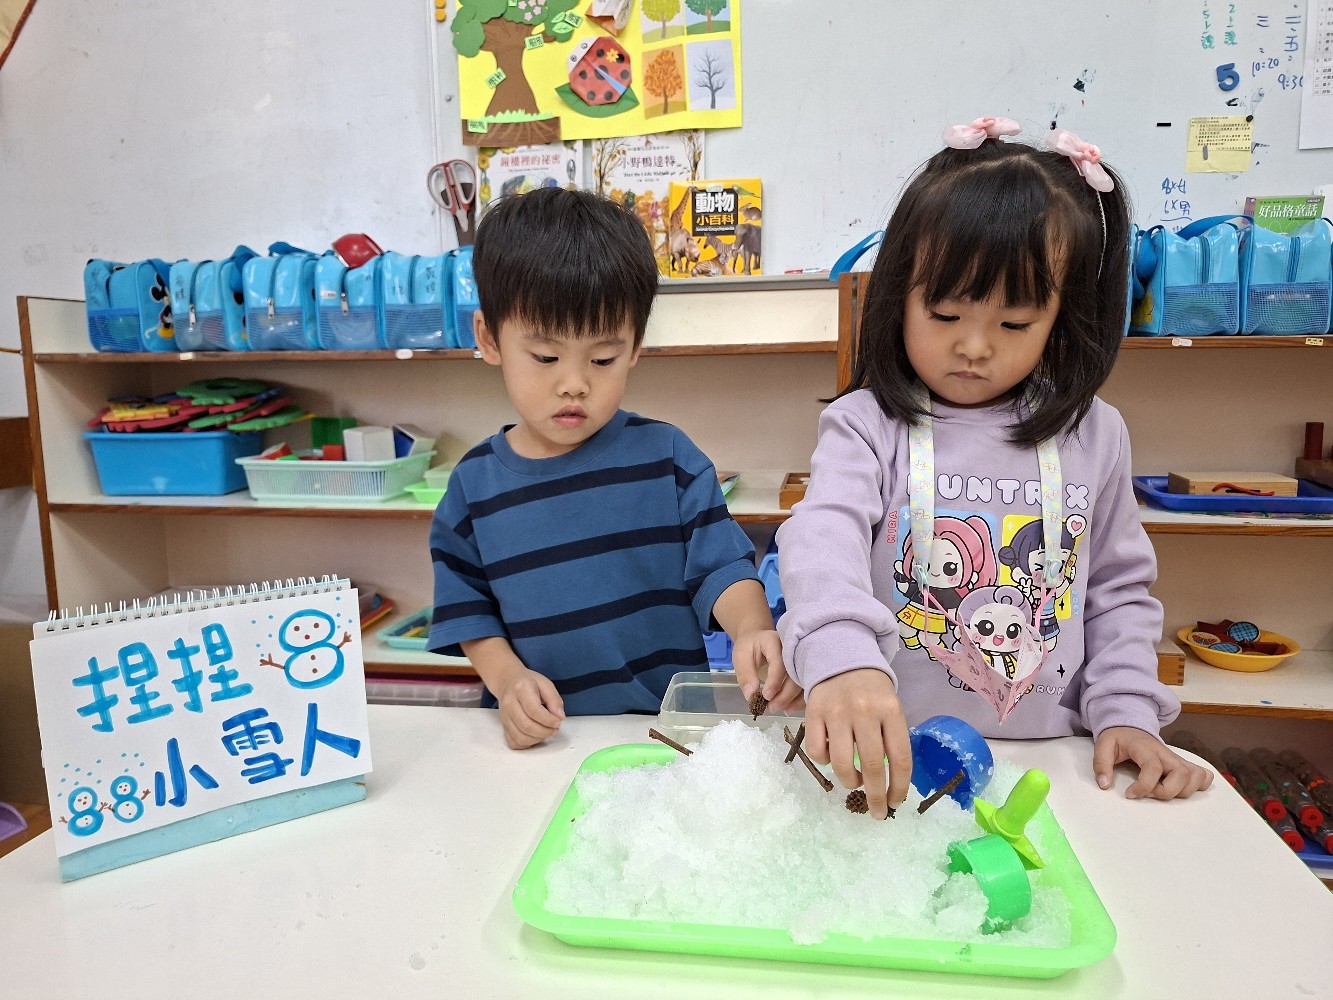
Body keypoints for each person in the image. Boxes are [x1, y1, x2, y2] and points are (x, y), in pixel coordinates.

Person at [738, 118, 1213, 818]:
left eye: (1014, 324)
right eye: (943, 313)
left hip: (1048, 765)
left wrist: (1127, 712)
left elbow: (1116, 591)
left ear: (1063, 317)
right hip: (889, 758)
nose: (974, 347)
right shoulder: (866, 424)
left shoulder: (1096, 434)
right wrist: (839, 656)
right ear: (899, 295)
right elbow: (821, 537)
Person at [428, 187, 782, 749]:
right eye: (546, 357)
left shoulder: (667, 458)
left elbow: (723, 566)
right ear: (489, 340)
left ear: (635, 347)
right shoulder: (472, 488)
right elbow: (469, 612)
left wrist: (753, 628)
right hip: (545, 740)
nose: (574, 383)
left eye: (602, 358)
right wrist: (508, 679)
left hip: (666, 737)